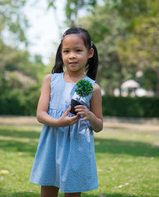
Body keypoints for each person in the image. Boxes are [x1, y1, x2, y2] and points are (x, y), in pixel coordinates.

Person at [30, 27, 103, 197]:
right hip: (52, 143)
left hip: (77, 148)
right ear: (61, 54)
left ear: (90, 53)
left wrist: (90, 116)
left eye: (78, 50)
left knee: (72, 191)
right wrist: (57, 122)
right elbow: (40, 114)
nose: (71, 55)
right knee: (48, 188)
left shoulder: (93, 87)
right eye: (66, 51)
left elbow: (99, 126)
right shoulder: (50, 80)